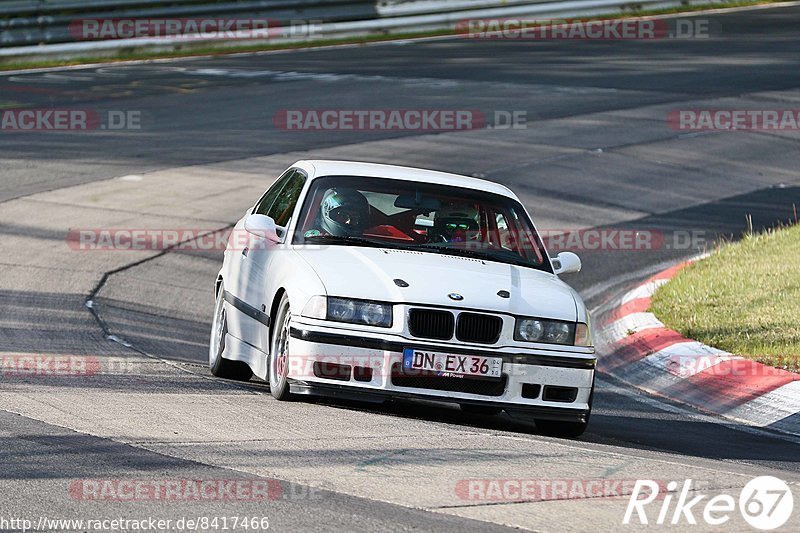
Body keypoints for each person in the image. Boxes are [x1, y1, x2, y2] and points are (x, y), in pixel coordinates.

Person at [303, 188, 371, 238]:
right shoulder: (313, 241)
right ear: (328, 214)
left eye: (355, 217)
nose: (348, 221)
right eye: (342, 215)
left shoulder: (369, 244)